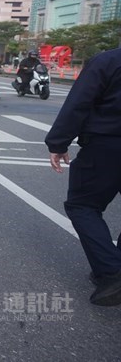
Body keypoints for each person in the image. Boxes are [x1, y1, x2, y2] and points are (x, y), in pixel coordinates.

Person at [46, 47, 121, 307]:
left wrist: (58, 142)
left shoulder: (109, 61)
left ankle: (112, 271)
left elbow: (79, 103)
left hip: (107, 147)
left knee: (83, 205)